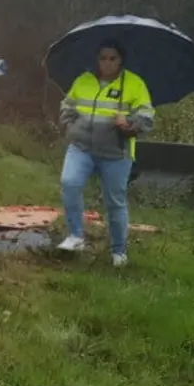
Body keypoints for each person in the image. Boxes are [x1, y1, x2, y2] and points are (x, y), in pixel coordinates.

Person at [55, 39, 155, 266]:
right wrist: (72, 127)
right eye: (103, 57)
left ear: (120, 60)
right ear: (97, 59)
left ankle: (119, 252)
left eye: (113, 58)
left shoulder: (134, 84)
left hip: (116, 154)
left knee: (114, 202)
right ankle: (76, 236)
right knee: (69, 183)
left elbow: (147, 116)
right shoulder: (84, 80)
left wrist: (129, 122)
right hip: (81, 148)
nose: (107, 62)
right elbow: (67, 106)